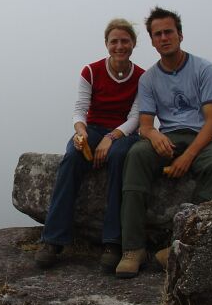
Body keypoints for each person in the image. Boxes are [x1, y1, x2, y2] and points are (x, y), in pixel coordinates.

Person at [114, 7, 212, 279]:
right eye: (157, 34)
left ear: (180, 35)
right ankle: (133, 249)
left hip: (202, 136)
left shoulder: (203, 69)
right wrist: (154, 135)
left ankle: (185, 245)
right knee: (136, 155)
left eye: (168, 32)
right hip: (168, 136)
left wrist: (187, 157)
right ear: (152, 41)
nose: (164, 38)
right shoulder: (148, 79)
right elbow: (146, 124)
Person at [35, 18, 145, 270]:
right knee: (72, 158)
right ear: (106, 44)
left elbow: (135, 117)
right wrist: (81, 132)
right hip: (93, 128)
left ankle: (112, 242)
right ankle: (53, 240)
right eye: (114, 41)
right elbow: (80, 109)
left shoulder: (142, 77)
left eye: (125, 41)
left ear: (133, 43)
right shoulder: (91, 71)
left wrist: (111, 137)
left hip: (124, 132)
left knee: (119, 158)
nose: (119, 46)